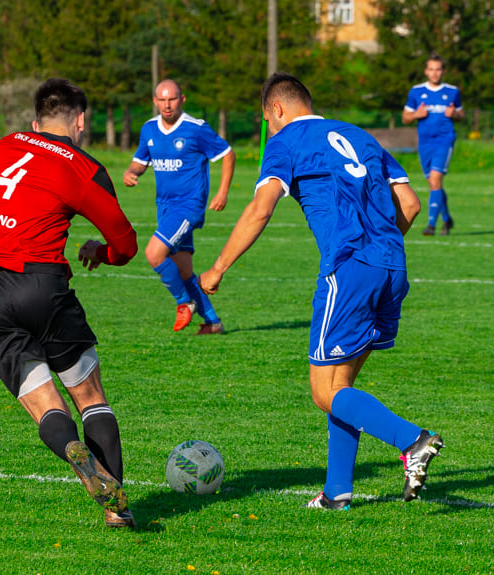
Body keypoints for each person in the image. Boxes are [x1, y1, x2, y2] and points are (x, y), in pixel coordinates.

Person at [200, 73, 443, 510]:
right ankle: (337, 493)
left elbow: (261, 208)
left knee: (323, 392)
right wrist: (382, 250)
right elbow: (411, 204)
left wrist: (218, 267)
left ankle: (413, 440)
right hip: (392, 264)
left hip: (348, 269)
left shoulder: (285, 142)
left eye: (268, 121)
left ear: (275, 110)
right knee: (341, 383)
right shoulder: (360, 135)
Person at [0, 78, 139, 528]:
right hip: (42, 285)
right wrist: (101, 253)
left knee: (45, 404)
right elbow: (125, 242)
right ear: (81, 121)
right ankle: (118, 510)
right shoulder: (83, 167)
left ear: (35, 122)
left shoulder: (1, 147)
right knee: (90, 397)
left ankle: (71, 452)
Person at [123, 79, 236, 335]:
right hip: (164, 207)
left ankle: (184, 303)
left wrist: (222, 192)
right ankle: (212, 322)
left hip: (189, 206)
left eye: (172, 99)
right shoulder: (149, 129)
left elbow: (228, 154)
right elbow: (140, 162)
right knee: (184, 270)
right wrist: (132, 172)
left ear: (182, 100)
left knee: (154, 254)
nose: (167, 105)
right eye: (162, 100)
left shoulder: (196, 129)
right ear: (154, 101)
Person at [401, 54, 464, 236]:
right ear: (426, 71)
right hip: (425, 143)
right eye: (431, 69)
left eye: (438, 69)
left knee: (436, 181)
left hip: (444, 141)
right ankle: (446, 219)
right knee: (433, 183)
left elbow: (461, 114)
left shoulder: (452, 91)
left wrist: (455, 114)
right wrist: (415, 115)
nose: (434, 73)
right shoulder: (416, 91)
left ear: (443, 71)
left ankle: (431, 224)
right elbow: (405, 117)